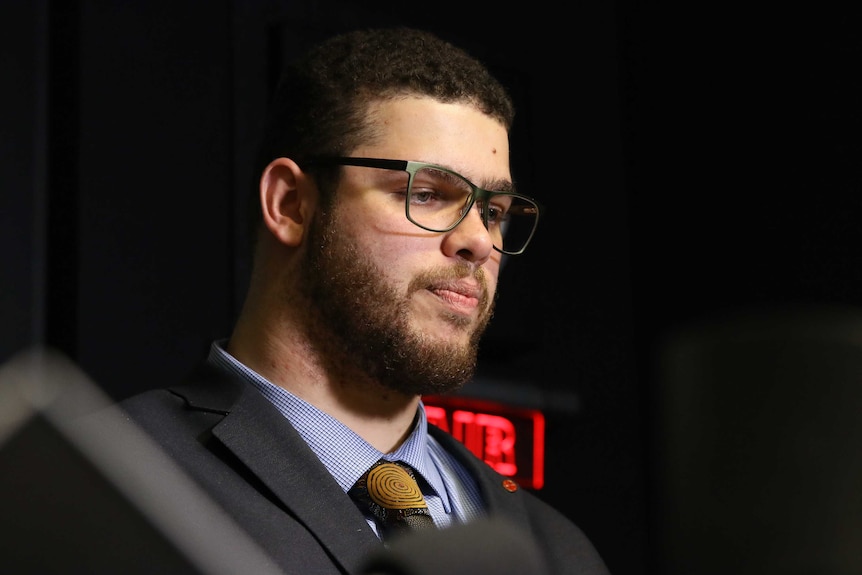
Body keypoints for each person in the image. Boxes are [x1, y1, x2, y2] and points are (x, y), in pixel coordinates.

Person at [84, 26, 611, 574]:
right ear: (291, 204)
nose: (479, 240)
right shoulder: (112, 483)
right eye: (428, 194)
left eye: (494, 212)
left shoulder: (561, 552)